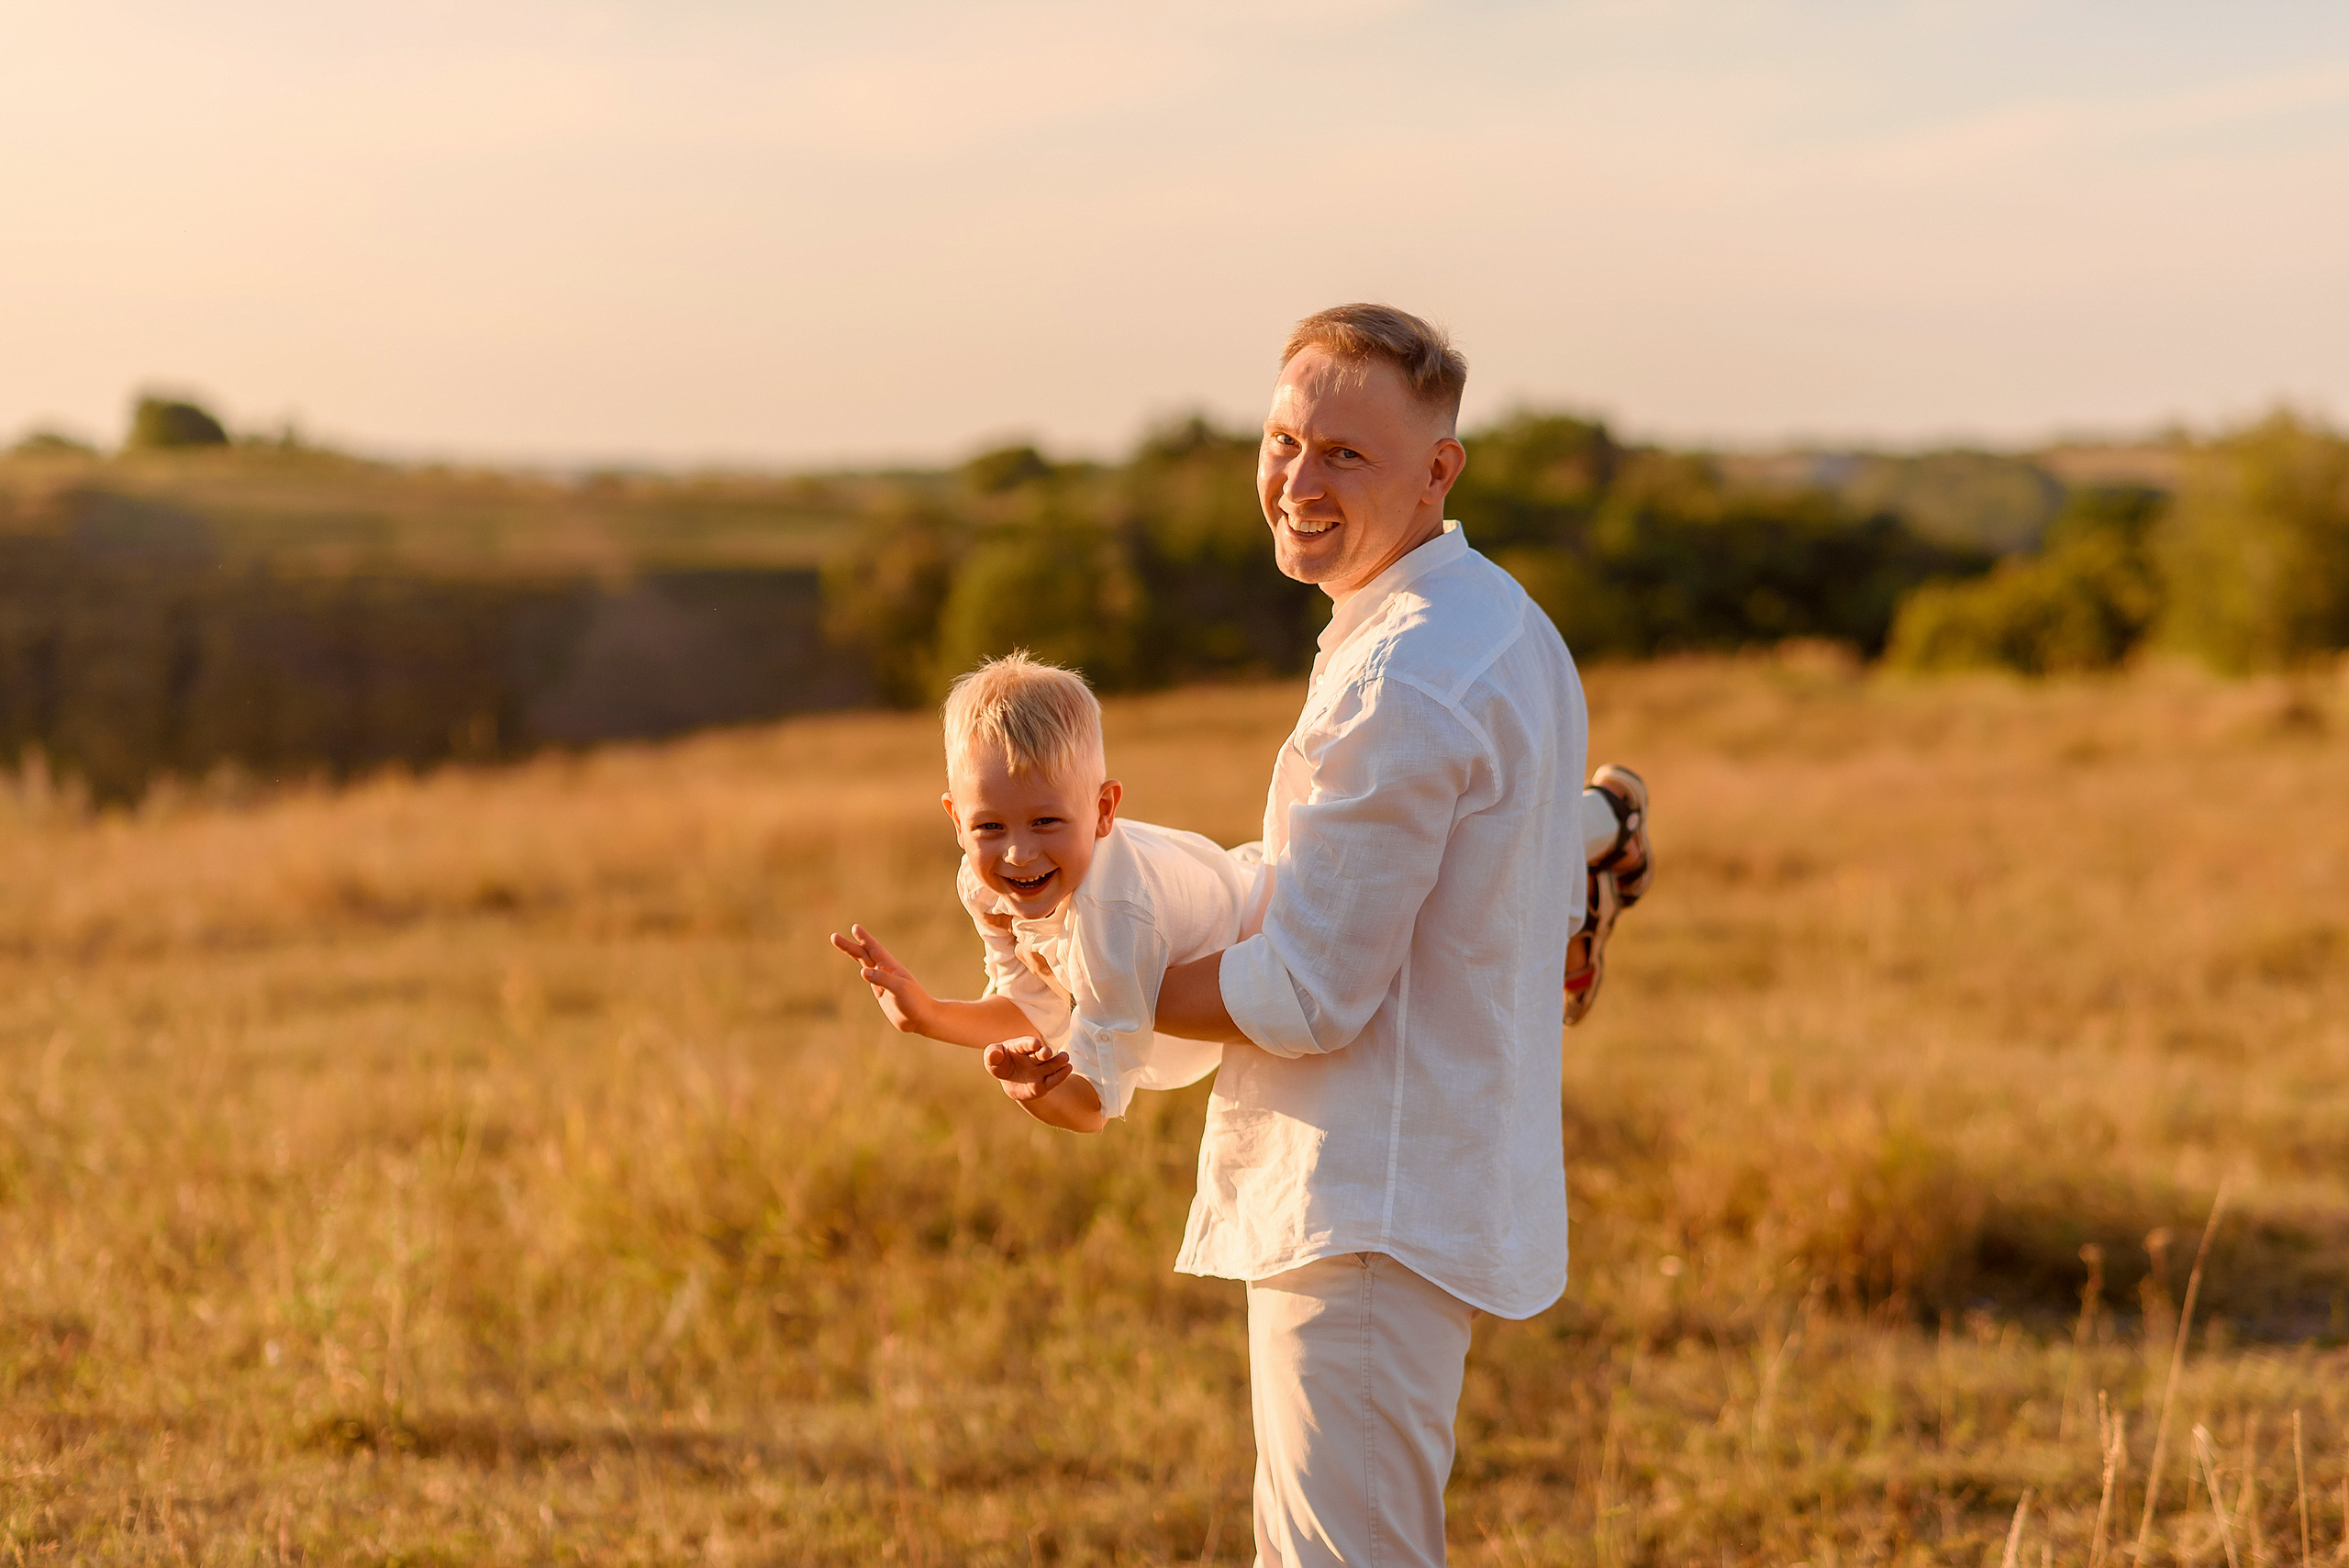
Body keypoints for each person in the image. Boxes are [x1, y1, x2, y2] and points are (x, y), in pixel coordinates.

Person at [1137, 302, 1609, 1566]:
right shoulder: (1494, 616)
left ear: (1437, 468)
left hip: (1360, 1202)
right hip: (1410, 1191)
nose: (1298, 479)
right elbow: (1483, 838)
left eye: (1346, 453)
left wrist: (1095, 995)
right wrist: (1604, 827)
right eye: (1284, 439)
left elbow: (1307, 990)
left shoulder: (1405, 673)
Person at [827, 651, 1263, 1132]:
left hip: (1263, 940)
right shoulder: (983, 885)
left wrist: (1036, 1094)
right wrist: (928, 1016)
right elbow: (1033, 1008)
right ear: (956, 820)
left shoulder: (1116, 917)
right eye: (990, 825)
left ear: (1103, 809)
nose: (1017, 853)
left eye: (1046, 821)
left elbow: (1093, 1106)